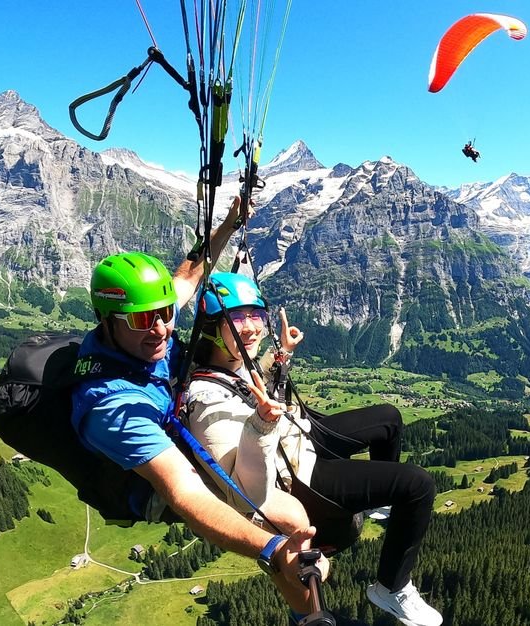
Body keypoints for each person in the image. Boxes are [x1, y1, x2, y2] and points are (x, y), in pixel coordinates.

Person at [70, 198, 329, 615]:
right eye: (142, 320)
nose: (161, 329)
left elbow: (188, 274)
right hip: (159, 480)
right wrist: (272, 548)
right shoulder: (113, 407)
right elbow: (183, 491)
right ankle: (310, 616)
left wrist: (228, 224)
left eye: (167, 312)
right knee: (294, 521)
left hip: (186, 426)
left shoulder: (145, 316)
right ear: (107, 320)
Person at [186, 272, 442, 626]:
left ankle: (381, 503)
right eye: (237, 318)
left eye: (255, 316)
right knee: (417, 485)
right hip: (296, 474)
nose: (251, 328)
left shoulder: (231, 365)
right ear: (214, 327)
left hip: (296, 443)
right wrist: (261, 423)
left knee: (389, 418)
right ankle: (391, 587)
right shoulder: (206, 400)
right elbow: (246, 492)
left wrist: (282, 357)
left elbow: (253, 382)